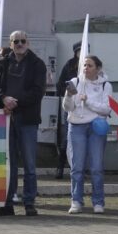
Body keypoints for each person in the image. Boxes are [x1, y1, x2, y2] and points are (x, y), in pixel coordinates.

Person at [0, 31, 47, 217]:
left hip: (27, 119)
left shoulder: (37, 64)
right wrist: (3, 98)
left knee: (29, 163)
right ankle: (7, 203)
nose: (19, 44)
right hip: (6, 119)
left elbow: (38, 92)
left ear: (28, 42)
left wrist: (15, 101)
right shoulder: (1, 62)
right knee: (8, 163)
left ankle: (29, 202)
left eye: (23, 41)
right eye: (16, 41)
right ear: (10, 44)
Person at [63, 55, 112, 215]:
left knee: (96, 167)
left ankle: (98, 202)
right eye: (84, 65)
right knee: (77, 167)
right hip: (77, 126)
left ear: (98, 68)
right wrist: (69, 95)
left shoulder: (105, 85)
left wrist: (88, 101)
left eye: (90, 65)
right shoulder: (75, 82)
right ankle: (76, 200)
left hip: (96, 128)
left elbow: (106, 109)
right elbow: (67, 108)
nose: (86, 68)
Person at [54, 42, 82, 180]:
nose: (81, 53)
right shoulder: (70, 65)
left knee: (81, 140)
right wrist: (68, 91)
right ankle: (60, 166)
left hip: (85, 106)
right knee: (66, 138)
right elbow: (60, 85)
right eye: (79, 51)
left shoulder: (90, 64)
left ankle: (77, 168)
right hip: (70, 104)